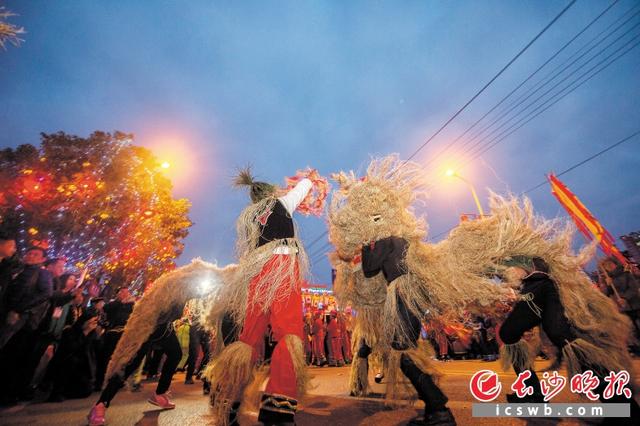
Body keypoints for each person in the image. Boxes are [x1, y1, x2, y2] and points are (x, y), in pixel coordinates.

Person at [207, 168, 321, 425]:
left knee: (249, 337)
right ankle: (278, 409)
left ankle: (228, 400)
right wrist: (309, 178)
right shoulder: (280, 203)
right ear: (269, 193)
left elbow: (249, 248)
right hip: (280, 267)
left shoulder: (248, 217)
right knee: (288, 332)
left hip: (256, 273)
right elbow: (304, 186)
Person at [499, 256, 639, 424]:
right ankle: (623, 407)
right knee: (561, 337)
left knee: (561, 336)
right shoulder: (520, 252)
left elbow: (520, 266)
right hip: (539, 284)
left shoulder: (515, 249)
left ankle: (624, 409)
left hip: (538, 284)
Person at [47, 311, 100, 401]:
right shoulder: (70, 331)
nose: (93, 325)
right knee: (72, 361)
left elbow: (94, 350)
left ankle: (68, 391)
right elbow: (72, 348)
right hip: (66, 363)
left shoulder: (92, 334)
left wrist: (98, 335)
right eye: (91, 322)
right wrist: (85, 332)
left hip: (81, 367)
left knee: (86, 391)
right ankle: (57, 392)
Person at [94, 286, 135, 392]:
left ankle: (117, 381)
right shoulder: (113, 304)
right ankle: (100, 382)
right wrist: (121, 302)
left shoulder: (131, 306)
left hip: (125, 335)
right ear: (118, 294)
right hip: (112, 334)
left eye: (127, 292)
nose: (125, 294)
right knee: (106, 358)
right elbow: (105, 310)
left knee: (122, 360)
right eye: (122, 292)